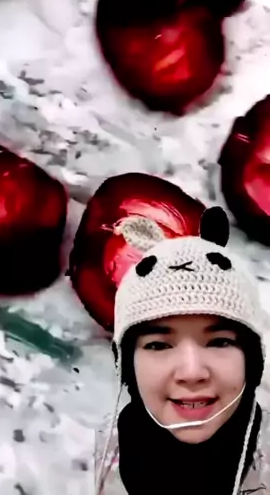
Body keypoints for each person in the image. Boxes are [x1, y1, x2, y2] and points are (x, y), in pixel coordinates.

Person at [95, 205, 269, 495]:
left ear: (252, 360)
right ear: (125, 364)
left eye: (220, 342)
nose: (191, 372)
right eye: (158, 345)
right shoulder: (108, 448)